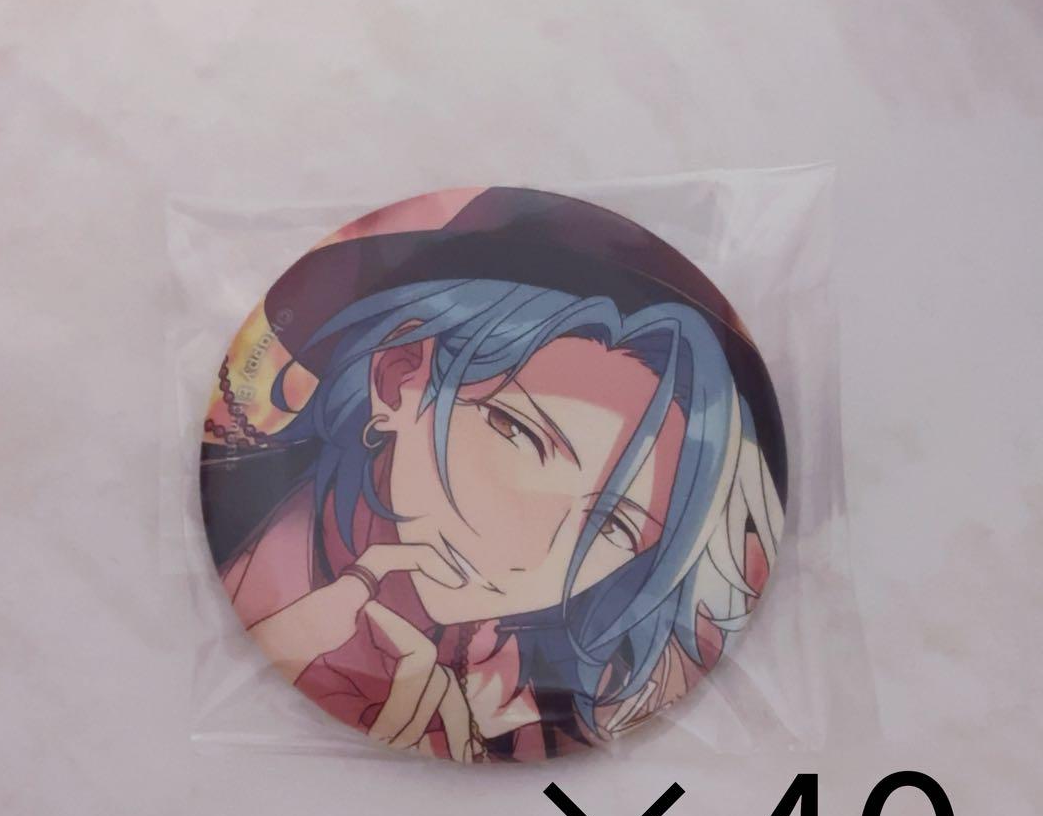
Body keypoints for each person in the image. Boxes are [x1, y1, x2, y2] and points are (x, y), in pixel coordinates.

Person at [211, 276, 783, 762]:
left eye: (614, 528)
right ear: (400, 378)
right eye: (517, 433)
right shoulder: (259, 569)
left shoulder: (559, 690)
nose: (523, 557)